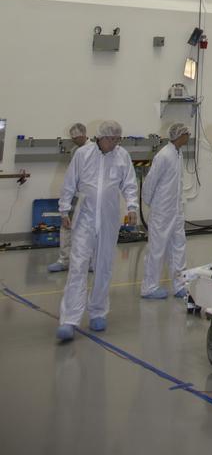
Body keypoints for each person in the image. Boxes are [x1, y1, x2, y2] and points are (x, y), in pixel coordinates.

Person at [55, 119, 138, 341]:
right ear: (101, 137)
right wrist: (64, 210)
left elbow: (130, 184)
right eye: (112, 138)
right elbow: (69, 182)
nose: (116, 142)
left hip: (109, 219)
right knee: (78, 266)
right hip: (85, 218)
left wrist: (132, 207)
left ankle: (98, 312)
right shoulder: (83, 155)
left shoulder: (122, 156)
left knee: (103, 266)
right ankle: (69, 319)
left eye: (118, 138)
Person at [140, 122, 190, 299]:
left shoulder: (178, 154)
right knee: (157, 249)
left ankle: (180, 285)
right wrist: (149, 202)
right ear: (179, 136)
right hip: (162, 211)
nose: (188, 136)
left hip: (175, 209)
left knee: (179, 246)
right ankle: (149, 287)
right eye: (186, 134)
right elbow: (151, 181)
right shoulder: (164, 155)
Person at [47, 123, 89, 273]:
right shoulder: (75, 150)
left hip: (89, 198)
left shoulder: (95, 150)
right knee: (66, 226)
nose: (75, 141)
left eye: (77, 138)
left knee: (89, 230)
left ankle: (90, 262)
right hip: (74, 196)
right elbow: (71, 176)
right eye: (73, 138)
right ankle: (64, 260)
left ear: (84, 135)